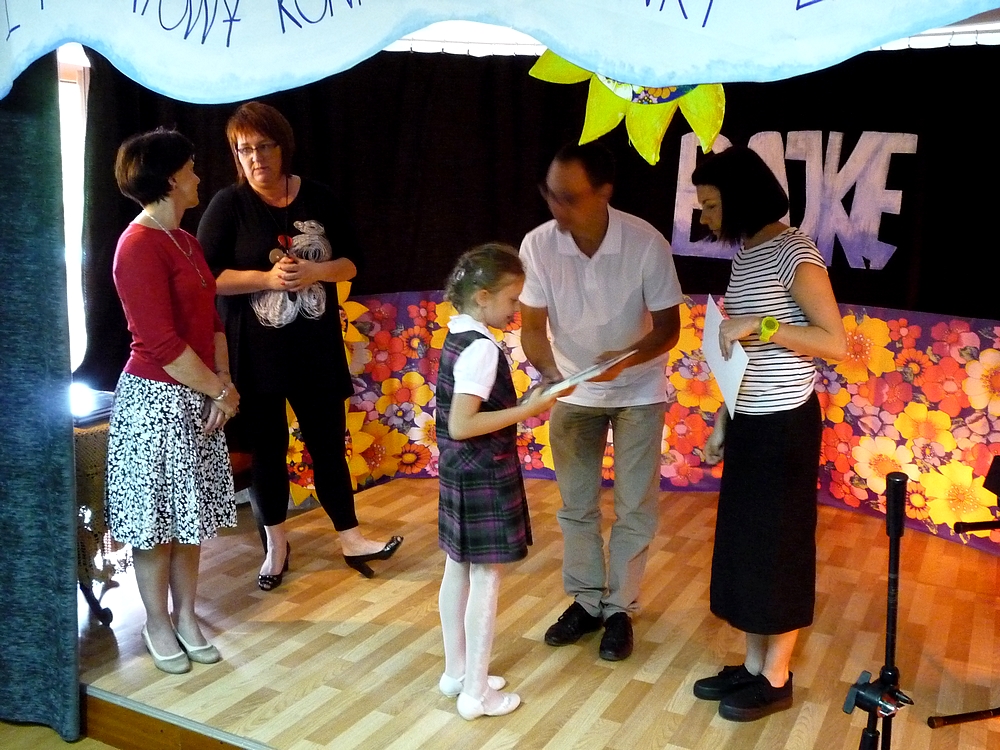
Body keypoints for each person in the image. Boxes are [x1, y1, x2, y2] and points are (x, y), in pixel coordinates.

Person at [197, 102, 401, 588]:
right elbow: (206, 277)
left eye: (264, 146)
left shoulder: (320, 197)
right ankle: (275, 546)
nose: (255, 158)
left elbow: (352, 262)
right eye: (244, 149)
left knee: (328, 445)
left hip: (314, 349)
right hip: (255, 354)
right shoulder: (228, 204)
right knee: (267, 451)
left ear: (283, 146)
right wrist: (266, 278)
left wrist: (315, 271)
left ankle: (351, 537)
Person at [691, 145, 847, 721]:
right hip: (750, 421)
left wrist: (763, 323)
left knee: (778, 549)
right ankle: (754, 665)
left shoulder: (794, 252)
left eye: (711, 205)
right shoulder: (746, 255)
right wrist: (722, 419)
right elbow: (740, 355)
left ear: (741, 199)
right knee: (747, 548)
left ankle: (776, 678)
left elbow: (834, 342)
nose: (704, 216)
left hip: (785, 427)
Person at [519, 142, 683, 662]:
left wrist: (628, 358)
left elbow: (669, 328)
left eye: (569, 197)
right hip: (574, 389)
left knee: (635, 506)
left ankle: (619, 609)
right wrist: (551, 377)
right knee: (576, 505)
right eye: (550, 195)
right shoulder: (537, 245)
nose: (557, 207)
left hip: (638, 390)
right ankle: (586, 601)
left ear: (604, 192)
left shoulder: (645, 242)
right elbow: (532, 327)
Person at [107, 128, 239, 674]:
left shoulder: (185, 239)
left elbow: (211, 320)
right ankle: (156, 623)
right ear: (169, 178)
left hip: (200, 394)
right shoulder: (137, 245)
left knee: (190, 519)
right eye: (190, 167)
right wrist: (220, 390)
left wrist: (223, 382)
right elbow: (160, 343)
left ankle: (186, 616)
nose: (198, 176)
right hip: (155, 402)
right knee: (155, 524)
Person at [435, 243, 560, 720]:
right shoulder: (482, 348)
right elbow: (463, 424)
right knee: (486, 580)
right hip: (484, 473)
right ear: (482, 296)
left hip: (461, 472)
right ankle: (475, 695)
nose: (516, 309)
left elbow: (469, 415)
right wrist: (530, 410)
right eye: (511, 299)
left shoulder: (459, 334)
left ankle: (457, 674)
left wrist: (522, 402)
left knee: (457, 570)